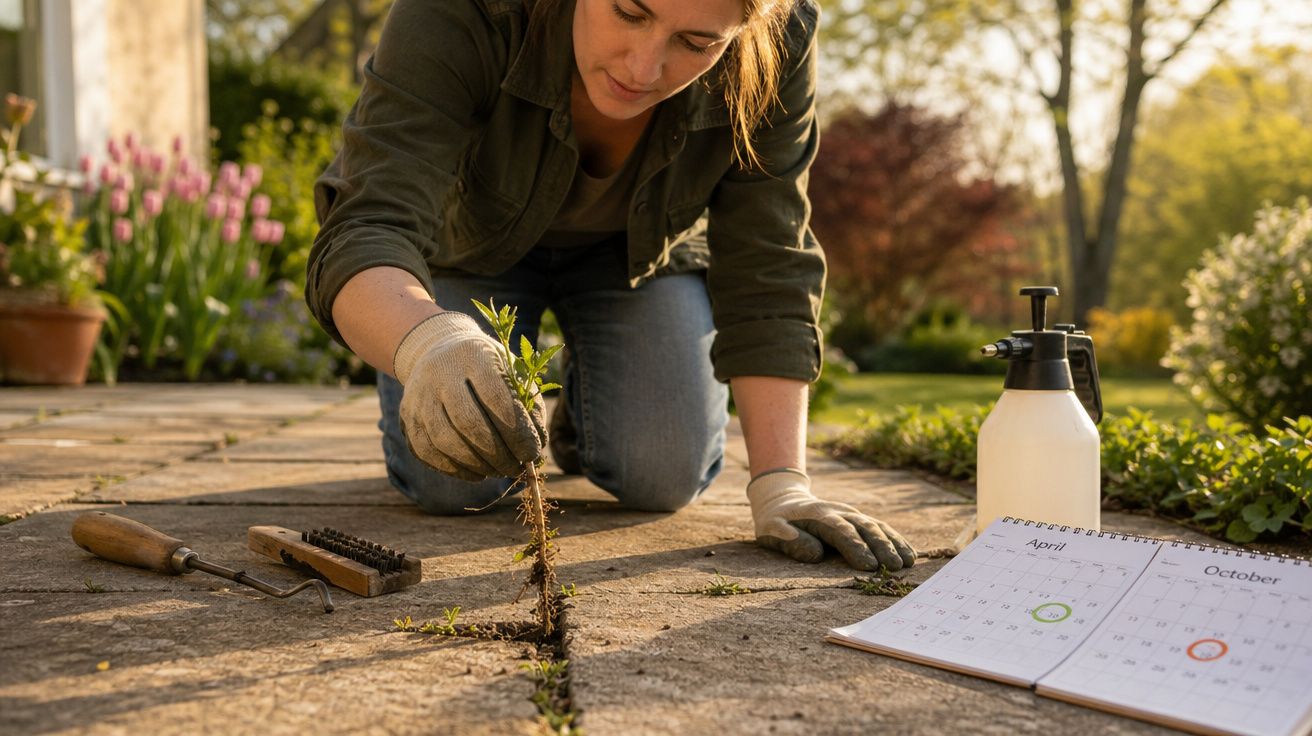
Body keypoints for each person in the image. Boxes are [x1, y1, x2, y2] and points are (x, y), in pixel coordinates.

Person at [306, 0, 917, 572]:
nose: (642, 67)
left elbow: (769, 258)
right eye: (629, 12)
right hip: (469, 249)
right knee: (455, 476)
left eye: (697, 41)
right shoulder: (462, 9)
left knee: (662, 476)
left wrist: (783, 482)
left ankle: (586, 401)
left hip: (638, 255)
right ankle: (494, 367)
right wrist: (428, 346)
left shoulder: (781, 35)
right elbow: (368, 223)